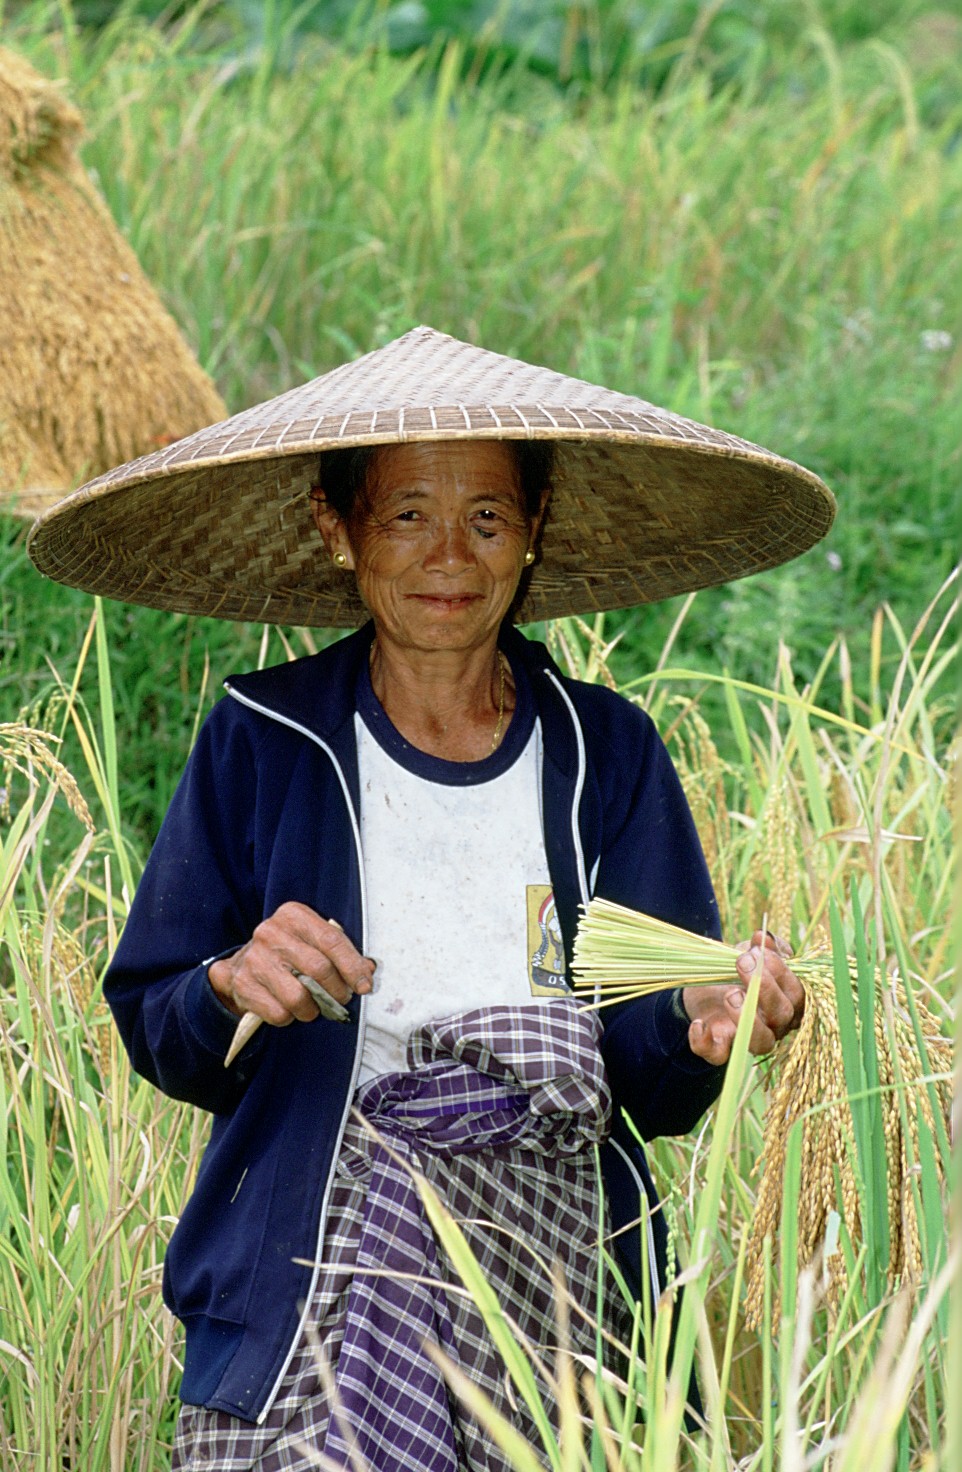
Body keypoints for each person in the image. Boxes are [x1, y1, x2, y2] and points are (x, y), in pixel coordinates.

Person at [28, 326, 834, 1470]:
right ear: (337, 526)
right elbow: (157, 1021)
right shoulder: (265, 740)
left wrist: (706, 1026)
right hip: (321, 1265)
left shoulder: (606, 752)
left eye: (488, 517)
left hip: (564, 1281)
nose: (448, 552)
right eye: (406, 513)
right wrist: (226, 989)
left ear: (532, 531)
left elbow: (649, 1080)